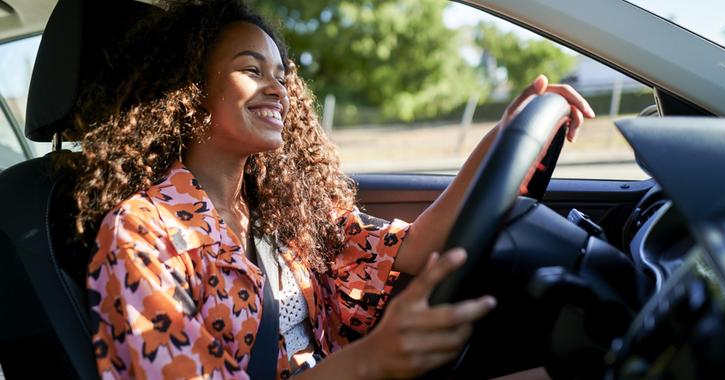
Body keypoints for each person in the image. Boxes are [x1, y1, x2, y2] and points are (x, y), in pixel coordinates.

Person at [75, 0, 595, 378]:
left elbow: (413, 246)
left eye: (281, 74)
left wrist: (505, 134)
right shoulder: (142, 233)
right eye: (250, 70)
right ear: (191, 91)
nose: (277, 88)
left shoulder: (281, 213)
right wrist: (369, 360)